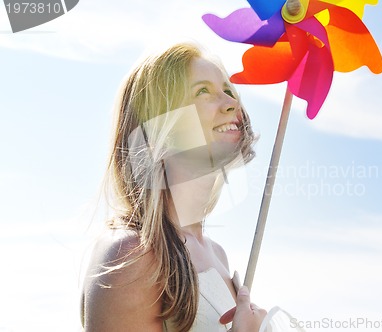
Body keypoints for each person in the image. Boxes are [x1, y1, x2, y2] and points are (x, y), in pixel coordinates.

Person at [80, 43, 267, 332]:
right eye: (202, 91)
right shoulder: (132, 255)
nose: (231, 103)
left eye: (228, 90)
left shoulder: (217, 255)